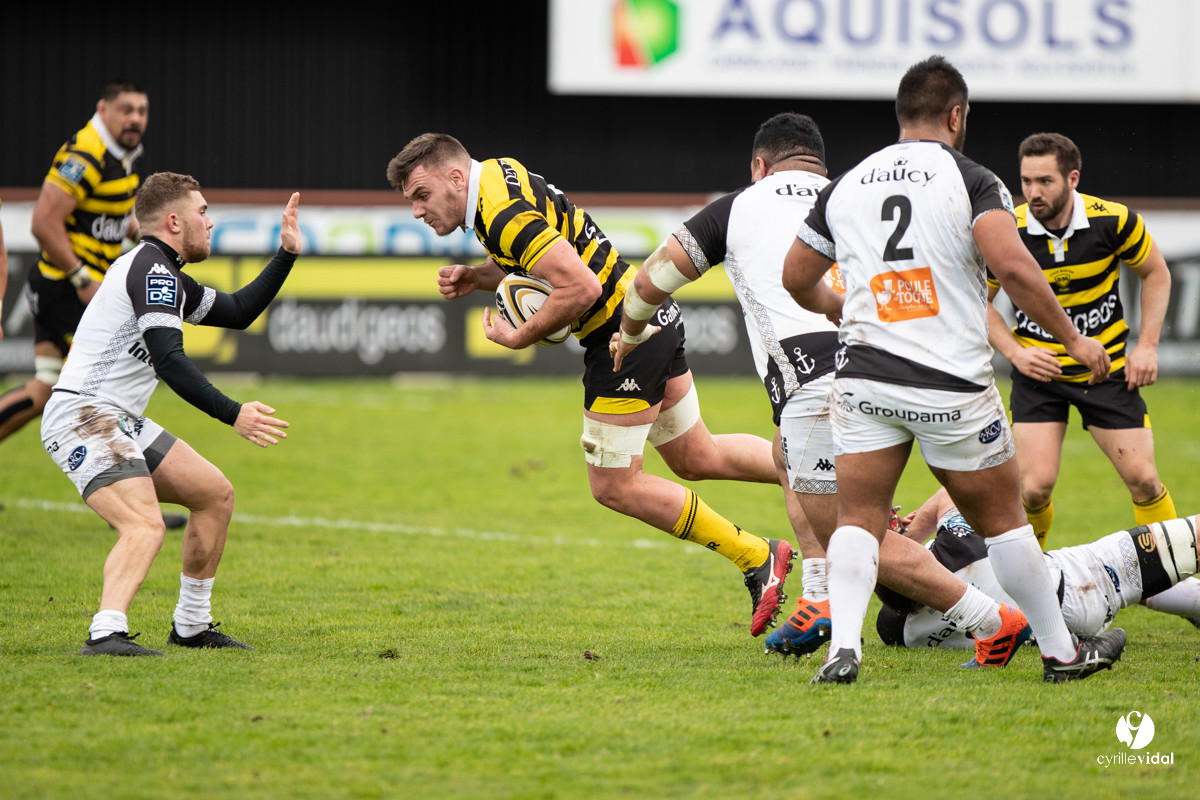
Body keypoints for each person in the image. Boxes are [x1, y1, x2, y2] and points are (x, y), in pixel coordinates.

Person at [612, 112, 1029, 669]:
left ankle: (993, 620)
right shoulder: (849, 193)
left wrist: (629, 332)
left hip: (813, 379)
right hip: (896, 364)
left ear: (759, 165)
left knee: (853, 537)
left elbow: (648, 282)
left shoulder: (737, 207)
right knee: (790, 458)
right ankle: (819, 597)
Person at [781, 54, 1125, 684]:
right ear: (957, 115)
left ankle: (844, 653)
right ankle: (1061, 653)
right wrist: (1074, 339)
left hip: (864, 379)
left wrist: (838, 307)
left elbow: (795, 277)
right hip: (950, 387)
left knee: (858, 521)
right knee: (1006, 526)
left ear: (901, 114)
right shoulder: (972, 179)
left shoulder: (847, 183)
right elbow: (1013, 268)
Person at [387, 133, 794, 636]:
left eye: (421, 195)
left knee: (614, 485)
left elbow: (579, 285)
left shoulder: (500, 213)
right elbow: (538, 254)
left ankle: (757, 555)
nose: (417, 211)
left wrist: (519, 337)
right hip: (650, 315)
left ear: (454, 177)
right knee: (698, 456)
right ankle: (827, 476)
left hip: (623, 338)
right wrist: (478, 276)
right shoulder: (496, 176)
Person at [41, 173, 301, 656]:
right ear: (175, 222)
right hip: (85, 414)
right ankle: (105, 632)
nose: (210, 222)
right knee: (144, 525)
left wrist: (286, 253)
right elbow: (169, 361)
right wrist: (234, 413)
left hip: (116, 418)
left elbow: (238, 311)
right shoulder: (153, 272)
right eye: (202, 212)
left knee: (214, 495)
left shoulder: (163, 273)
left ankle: (191, 626)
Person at [987, 132, 1174, 550]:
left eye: (1045, 181)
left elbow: (1156, 274)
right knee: (1033, 488)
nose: (1033, 192)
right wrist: (1015, 352)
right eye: (1026, 181)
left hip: (1105, 371)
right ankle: (1031, 580)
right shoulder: (1007, 229)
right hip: (1040, 374)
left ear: (1072, 178)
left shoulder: (1115, 221)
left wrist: (1147, 346)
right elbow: (976, 301)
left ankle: (1176, 577)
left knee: (1144, 479)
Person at [2, 81, 148, 443]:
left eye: (142, 111)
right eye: (126, 110)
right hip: (67, 288)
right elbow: (43, 222)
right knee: (109, 389)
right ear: (103, 110)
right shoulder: (86, 155)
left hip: (62, 286)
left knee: (45, 387)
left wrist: (147, 235)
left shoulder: (120, 153)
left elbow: (113, 218)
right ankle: (119, 474)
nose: (135, 119)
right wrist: (82, 279)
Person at [876, 488, 1200, 650]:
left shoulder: (893, 629)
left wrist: (905, 544)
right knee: (1192, 539)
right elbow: (953, 492)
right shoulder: (956, 546)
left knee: (1138, 585)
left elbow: (902, 577)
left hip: (1061, 629)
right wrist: (913, 533)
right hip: (1078, 584)